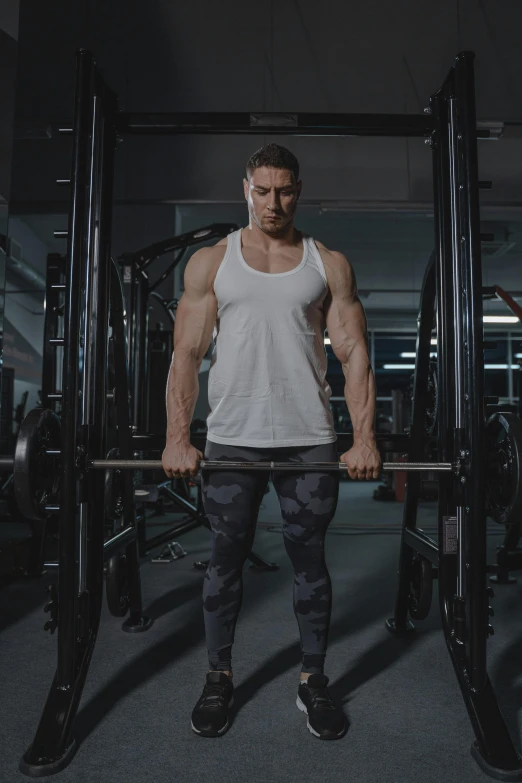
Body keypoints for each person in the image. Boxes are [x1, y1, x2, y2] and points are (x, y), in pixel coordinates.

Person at [162, 143, 381, 741]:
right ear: (245, 190)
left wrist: (363, 438)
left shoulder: (326, 263)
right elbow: (185, 354)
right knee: (224, 562)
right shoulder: (213, 261)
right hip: (232, 440)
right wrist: (178, 438)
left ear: (298, 190)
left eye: (284, 190)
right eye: (262, 190)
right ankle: (218, 677)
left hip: (309, 439)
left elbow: (355, 353)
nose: (273, 202)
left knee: (310, 564)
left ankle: (313, 681)